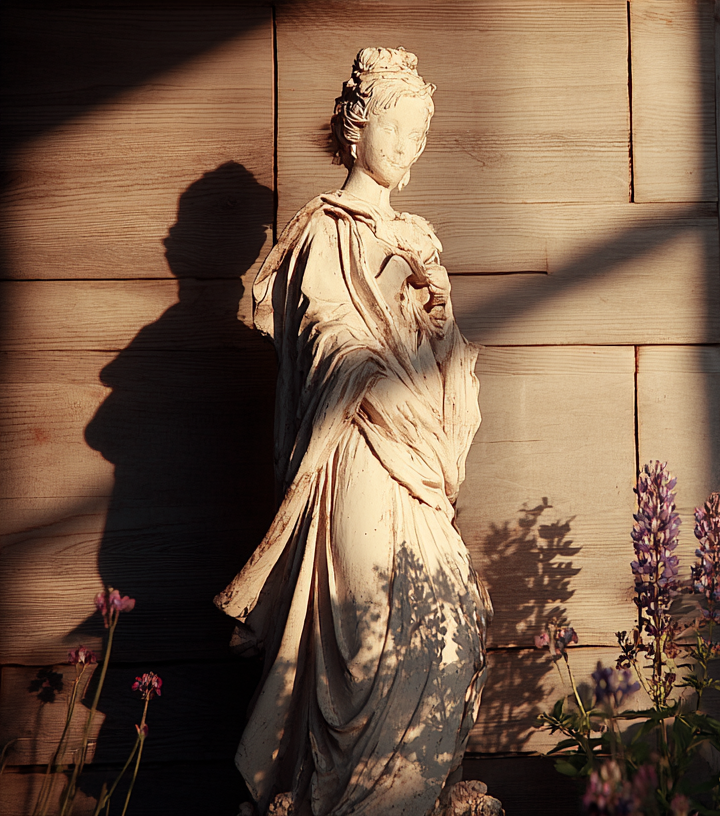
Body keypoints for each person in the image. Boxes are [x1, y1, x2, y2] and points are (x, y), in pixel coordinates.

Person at [215, 47, 492, 816]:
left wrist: (438, 320)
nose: (413, 147)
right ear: (358, 125)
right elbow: (321, 341)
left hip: (421, 466)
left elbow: (447, 370)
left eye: (422, 134)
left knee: (445, 622)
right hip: (359, 453)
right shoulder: (320, 235)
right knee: (361, 639)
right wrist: (378, 364)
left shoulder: (420, 239)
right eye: (401, 128)